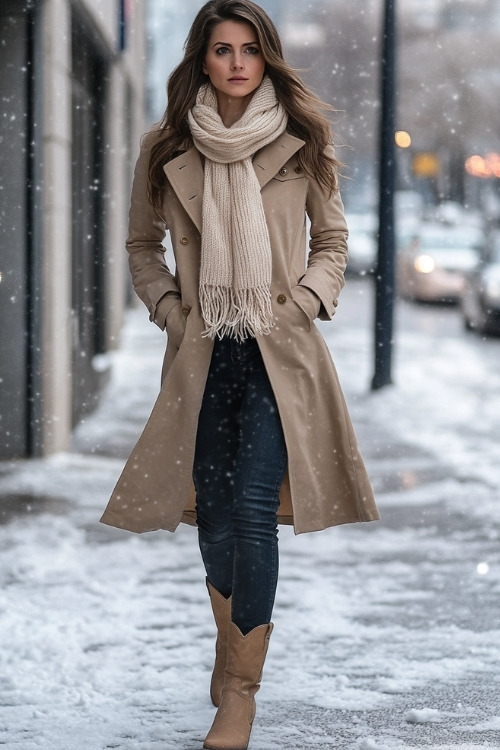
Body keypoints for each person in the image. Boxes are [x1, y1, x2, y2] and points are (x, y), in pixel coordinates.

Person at [100, 1, 379, 747]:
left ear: (266, 58)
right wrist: (171, 310)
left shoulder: (301, 138)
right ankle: (232, 664)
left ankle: (241, 694)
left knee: (254, 508)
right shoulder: (166, 145)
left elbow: (332, 237)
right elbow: (140, 244)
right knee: (212, 512)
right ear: (204, 57)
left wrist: (307, 298)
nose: (236, 62)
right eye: (222, 49)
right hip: (202, 350)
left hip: (276, 351)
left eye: (249, 49)